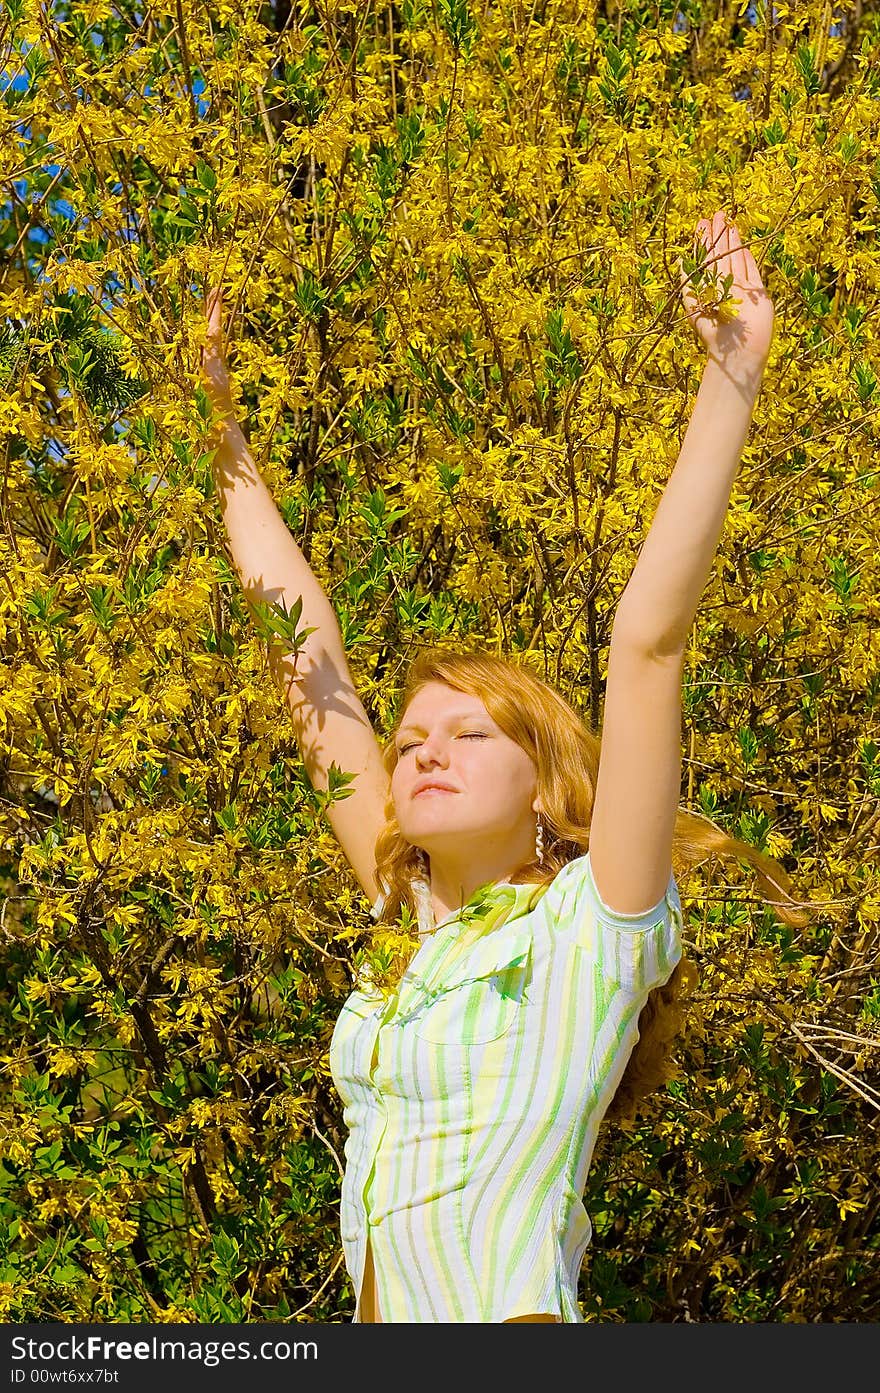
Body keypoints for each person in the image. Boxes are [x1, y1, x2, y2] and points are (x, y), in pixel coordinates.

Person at [198, 210, 809, 1322]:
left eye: (470, 735)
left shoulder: (591, 930)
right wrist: (222, 434)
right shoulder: (409, 920)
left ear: (544, 785)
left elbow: (646, 640)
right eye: (410, 740)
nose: (424, 749)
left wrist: (730, 373)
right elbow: (307, 661)